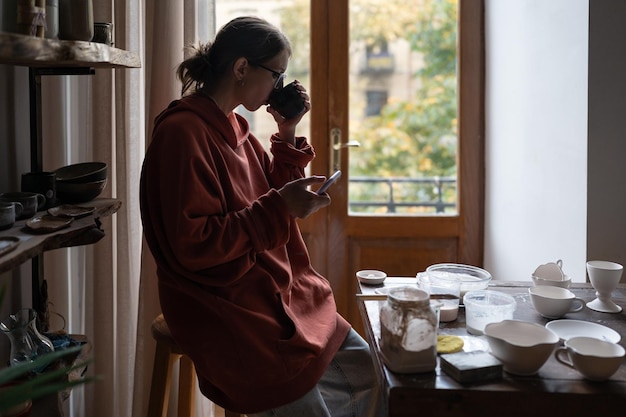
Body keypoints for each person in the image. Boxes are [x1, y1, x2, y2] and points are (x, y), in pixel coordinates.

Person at [139, 16, 385, 417]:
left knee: (370, 371)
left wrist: (286, 132)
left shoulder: (236, 127)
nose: (279, 87)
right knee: (293, 376)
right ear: (241, 68)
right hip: (221, 298)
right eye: (276, 74)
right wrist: (280, 208)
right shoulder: (183, 134)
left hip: (269, 281)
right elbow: (194, 243)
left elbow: (271, 194)